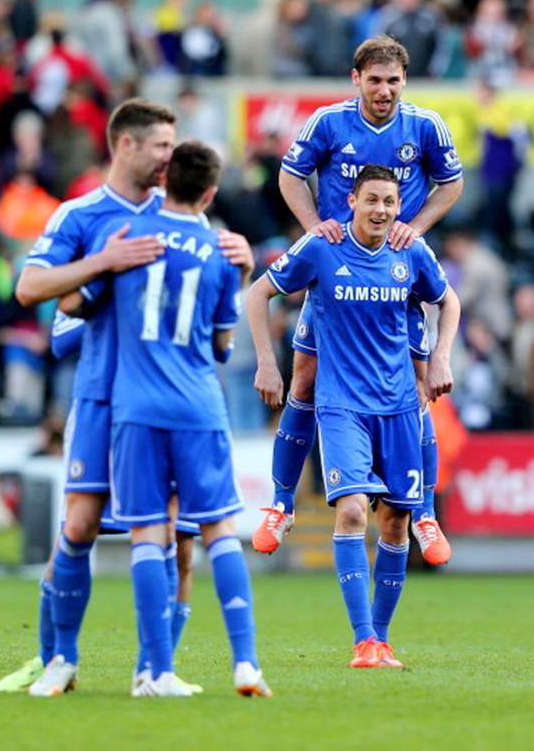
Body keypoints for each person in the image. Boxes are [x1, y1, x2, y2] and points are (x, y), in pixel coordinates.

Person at [0, 99, 251, 696]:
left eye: (173, 146)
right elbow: (31, 287)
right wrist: (103, 263)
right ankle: (57, 658)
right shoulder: (83, 216)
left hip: (169, 402)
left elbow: (212, 323)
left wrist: (234, 267)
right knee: (80, 526)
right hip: (103, 399)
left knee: (178, 539)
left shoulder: (188, 223)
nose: (170, 156)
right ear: (127, 145)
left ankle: (154, 668)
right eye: (161, 145)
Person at [67, 141, 271, 697]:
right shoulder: (222, 252)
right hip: (199, 405)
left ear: (163, 182)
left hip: (136, 409)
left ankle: (154, 672)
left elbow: (69, 303)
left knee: (147, 535)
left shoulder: (130, 240)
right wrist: (246, 268)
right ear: (208, 193)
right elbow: (224, 345)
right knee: (220, 529)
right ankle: (246, 663)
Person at [253, 35, 463, 565]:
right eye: (375, 80)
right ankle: (281, 503)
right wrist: (315, 231)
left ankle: (425, 513)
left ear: (404, 82)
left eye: (394, 80)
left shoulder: (425, 126)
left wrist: (413, 229)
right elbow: (290, 175)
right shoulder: (328, 122)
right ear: (356, 79)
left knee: (415, 387)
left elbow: (451, 185)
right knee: (303, 375)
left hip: (395, 275)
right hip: (336, 272)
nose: (385, 90)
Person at [247, 165, 460, 667]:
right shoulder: (323, 247)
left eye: (389, 201)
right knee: (350, 510)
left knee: (394, 523)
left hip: (400, 407)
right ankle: (362, 638)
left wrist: (443, 357)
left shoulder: (411, 250)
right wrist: (264, 362)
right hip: (341, 404)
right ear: (351, 202)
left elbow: (448, 301)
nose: (382, 210)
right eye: (372, 201)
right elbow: (258, 293)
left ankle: (381, 638)